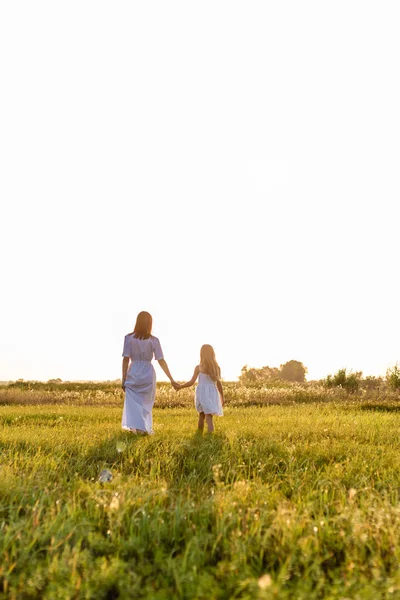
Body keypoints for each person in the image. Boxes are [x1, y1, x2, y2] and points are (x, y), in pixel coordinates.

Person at [121, 311, 177, 434]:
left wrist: (123, 378)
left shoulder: (128, 338)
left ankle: (136, 429)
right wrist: (171, 379)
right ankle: (141, 428)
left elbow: (126, 359)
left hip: (133, 371)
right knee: (145, 403)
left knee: (133, 403)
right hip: (147, 373)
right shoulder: (154, 340)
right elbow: (161, 360)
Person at [176, 344, 224, 433]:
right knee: (209, 415)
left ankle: (201, 433)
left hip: (201, 393)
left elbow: (191, 382)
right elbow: (219, 384)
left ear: (201, 354)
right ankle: (208, 434)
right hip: (212, 393)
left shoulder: (199, 367)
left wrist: (181, 386)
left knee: (202, 414)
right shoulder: (216, 368)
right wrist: (222, 396)